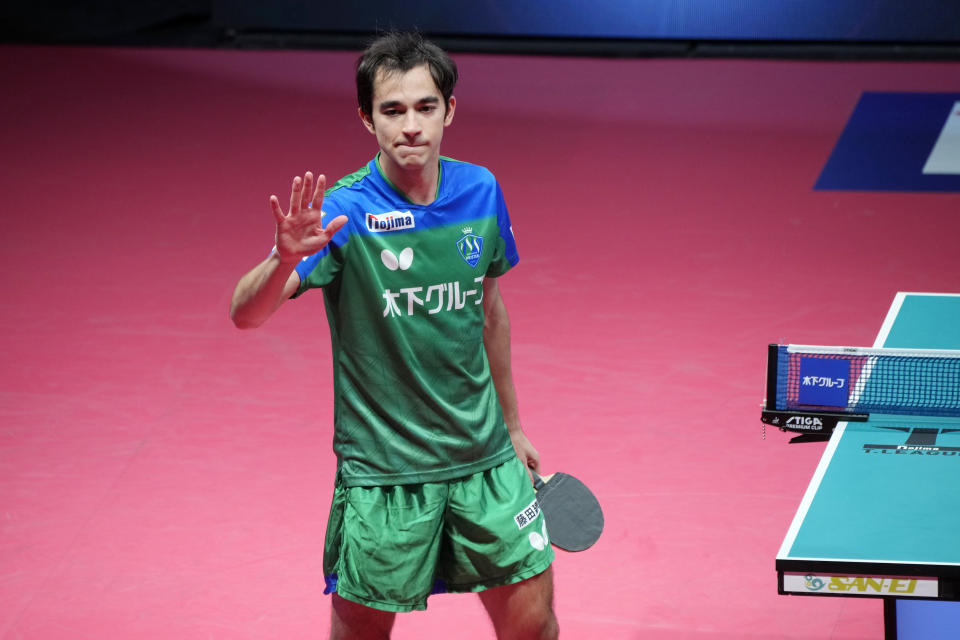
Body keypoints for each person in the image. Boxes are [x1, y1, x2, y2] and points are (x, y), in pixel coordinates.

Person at [230, 31, 558, 640]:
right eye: (392, 110)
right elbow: (245, 315)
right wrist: (281, 261)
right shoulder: (343, 212)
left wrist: (512, 426)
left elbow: (489, 310)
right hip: (384, 474)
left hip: (483, 461)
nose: (411, 126)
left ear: (449, 110)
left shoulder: (481, 191)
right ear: (366, 118)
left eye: (425, 107)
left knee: (535, 627)